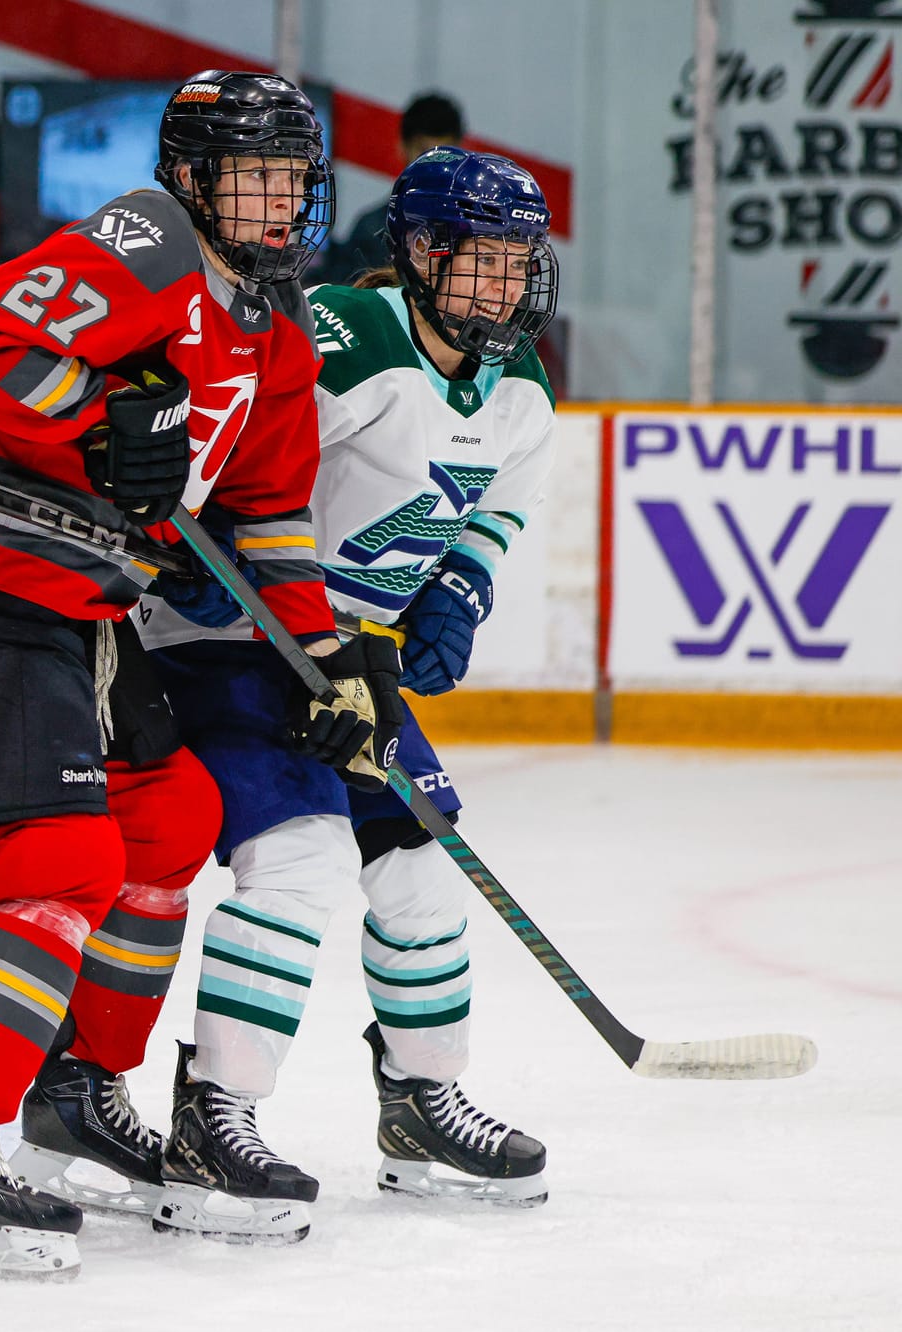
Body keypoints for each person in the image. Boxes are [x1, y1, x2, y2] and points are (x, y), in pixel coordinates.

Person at [0, 71, 402, 1279]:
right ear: (191, 176)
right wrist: (106, 415)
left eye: (290, 179)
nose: (275, 201)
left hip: (78, 595)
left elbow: (265, 512)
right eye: (250, 175)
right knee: (60, 857)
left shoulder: (270, 327)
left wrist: (320, 659)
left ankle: (76, 1089)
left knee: (169, 820)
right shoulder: (145, 238)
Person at [140, 147, 560, 1232]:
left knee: (419, 868)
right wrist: (188, 532)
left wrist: (454, 594)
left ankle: (420, 1101)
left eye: (519, 263)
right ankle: (210, 1114)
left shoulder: (518, 386)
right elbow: (233, 447)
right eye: (483, 262)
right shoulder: (349, 337)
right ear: (421, 255)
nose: (505, 286)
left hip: (349, 660)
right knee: (298, 860)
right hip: (228, 638)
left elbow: (494, 505)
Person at [310, 92, 464, 287]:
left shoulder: (475, 230)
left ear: (461, 153)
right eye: (424, 152)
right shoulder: (371, 229)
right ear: (402, 147)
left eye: (445, 154)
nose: (434, 165)